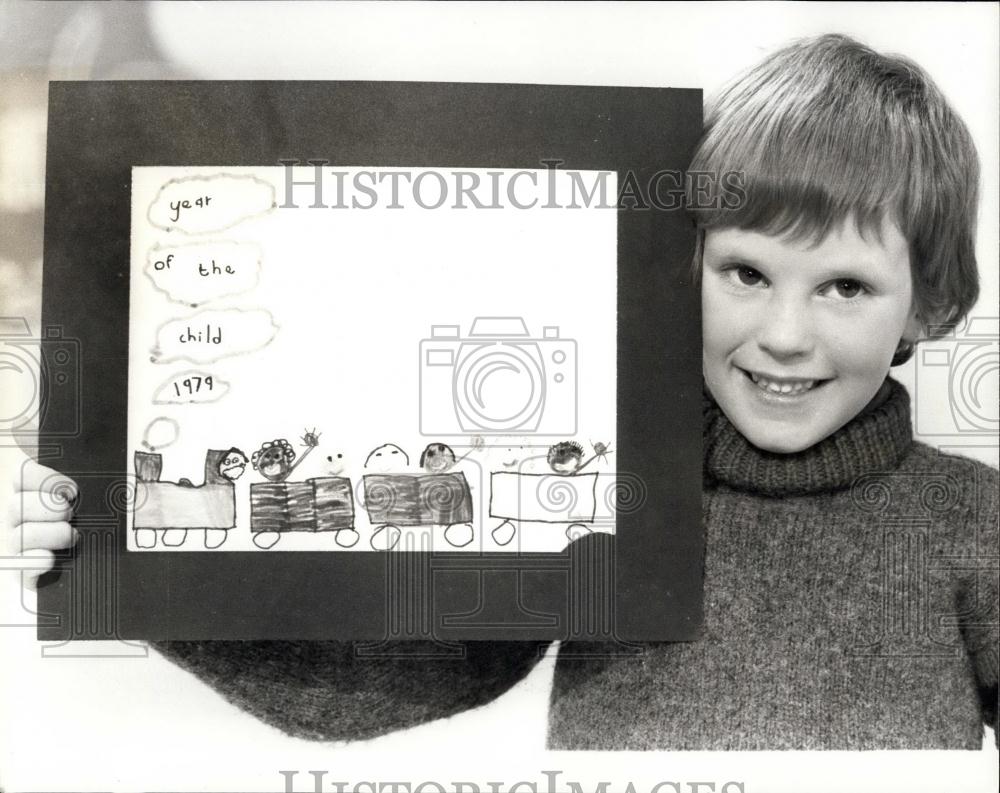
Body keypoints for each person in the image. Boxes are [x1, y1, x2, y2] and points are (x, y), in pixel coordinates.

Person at [8, 34, 997, 749]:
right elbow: (372, 689)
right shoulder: (608, 487)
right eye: (745, 272)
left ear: (934, 304)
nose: (784, 334)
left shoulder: (972, 518)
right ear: (674, 263)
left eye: (846, 286)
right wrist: (116, 554)